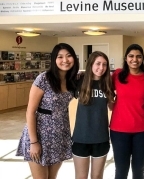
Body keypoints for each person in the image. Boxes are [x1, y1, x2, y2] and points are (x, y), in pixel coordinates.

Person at [16, 43, 79, 179]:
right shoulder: (43, 79)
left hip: (59, 135)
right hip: (39, 135)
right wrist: (34, 142)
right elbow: (30, 112)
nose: (65, 60)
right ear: (54, 60)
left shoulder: (73, 80)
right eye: (60, 57)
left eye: (69, 56)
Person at [109, 44, 144, 179]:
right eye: (131, 56)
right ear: (126, 58)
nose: (135, 59)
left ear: (143, 59)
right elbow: (106, 91)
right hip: (119, 130)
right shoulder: (117, 74)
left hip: (143, 130)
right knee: (121, 170)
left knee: (138, 170)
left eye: (139, 56)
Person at [72, 51, 115, 179]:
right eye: (98, 64)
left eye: (104, 64)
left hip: (101, 138)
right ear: (90, 64)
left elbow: (112, 106)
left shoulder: (108, 83)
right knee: (81, 177)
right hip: (81, 137)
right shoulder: (79, 81)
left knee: (97, 176)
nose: (101, 68)